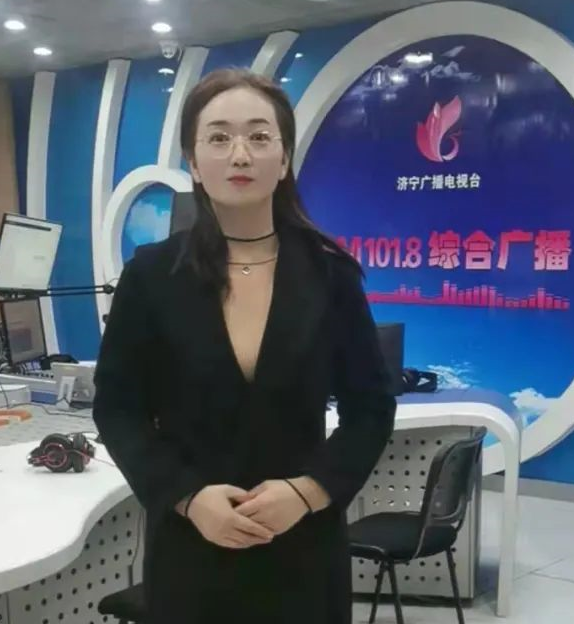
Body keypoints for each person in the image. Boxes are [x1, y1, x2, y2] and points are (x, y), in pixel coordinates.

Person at [92, 68, 396, 624]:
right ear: (193, 162)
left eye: (259, 136)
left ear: (283, 160)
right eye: (219, 137)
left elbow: (371, 409)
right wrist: (187, 497)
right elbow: (117, 409)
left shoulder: (330, 275)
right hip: (191, 548)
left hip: (302, 546)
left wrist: (308, 491)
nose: (240, 154)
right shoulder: (151, 276)